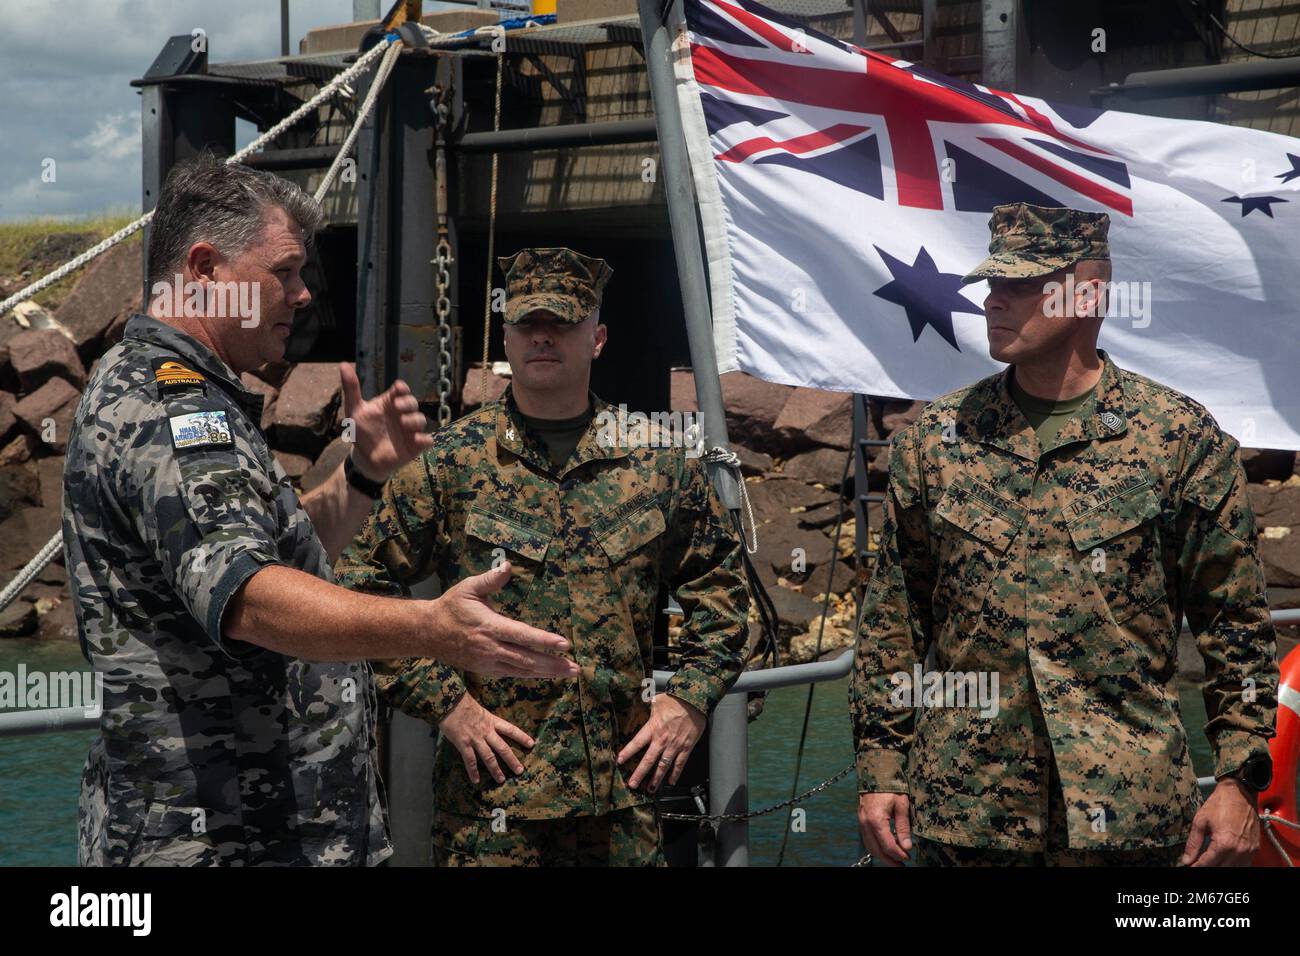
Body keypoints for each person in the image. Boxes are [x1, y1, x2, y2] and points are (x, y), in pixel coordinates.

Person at [63, 156, 577, 867]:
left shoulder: (194, 395)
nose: (303, 295)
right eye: (284, 271)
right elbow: (249, 597)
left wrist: (362, 477)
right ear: (205, 269)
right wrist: (430, 629)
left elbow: (270, 553)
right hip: (220, 839)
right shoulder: (169, 406)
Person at [851, 203, 1278, 867]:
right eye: (993, 286)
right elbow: (893, 625)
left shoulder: (1178, 439)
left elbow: (1236, 628)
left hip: (1128, 818)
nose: (996, 302)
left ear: (1089, 292)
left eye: (1021, 286)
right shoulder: (936, 442)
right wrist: (880, 767)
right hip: (966, 815)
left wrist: (1238, 781)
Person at [335, 247, 751, 866]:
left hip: (623, 801)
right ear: (506, 337)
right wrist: (446, 705)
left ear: (599, 338)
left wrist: (688, 700)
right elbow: (358, 588)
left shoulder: (657, 461)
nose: (543, 337)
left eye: (563, 322)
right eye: (528, 323)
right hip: (493, 807)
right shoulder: (451, 463)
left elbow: (721, 587)